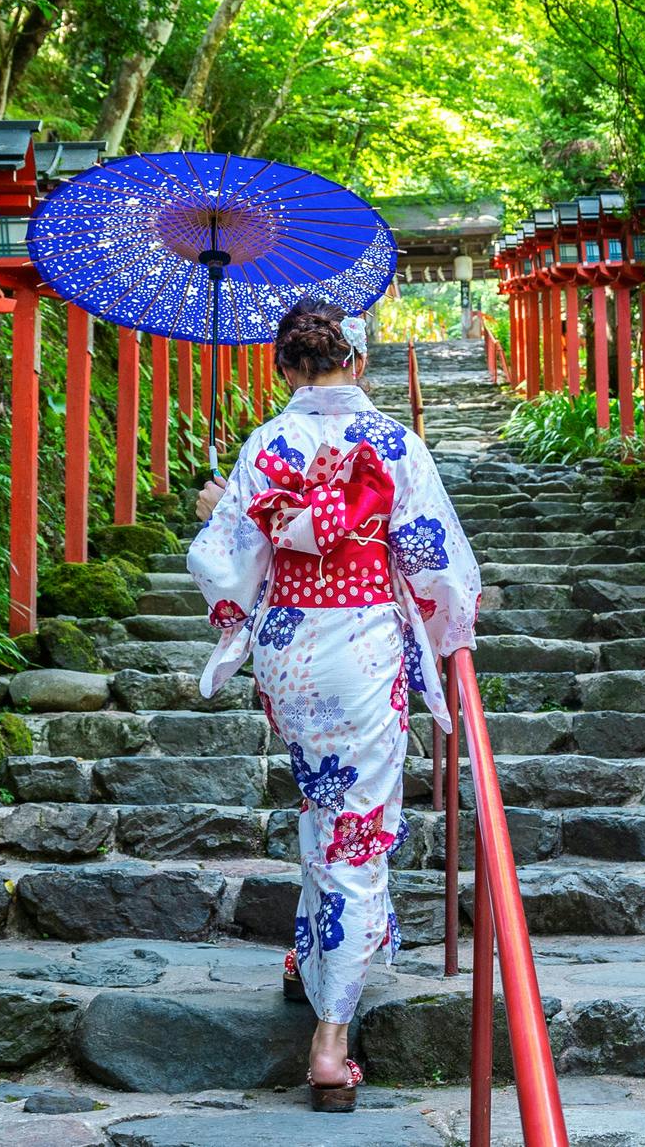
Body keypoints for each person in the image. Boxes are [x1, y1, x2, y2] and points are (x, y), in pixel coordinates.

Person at [186, 296, 479, 1112]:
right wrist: (450, 637)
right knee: (357, 830)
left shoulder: (265, 443)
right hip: (362, 646)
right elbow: (432, 560)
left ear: (283, 366)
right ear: (358, 360)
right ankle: (331, 1040)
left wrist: (219, 510)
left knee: (324, 802)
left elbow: (225, 565)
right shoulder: (394, 443)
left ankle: (311, 955)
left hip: (289, 649)